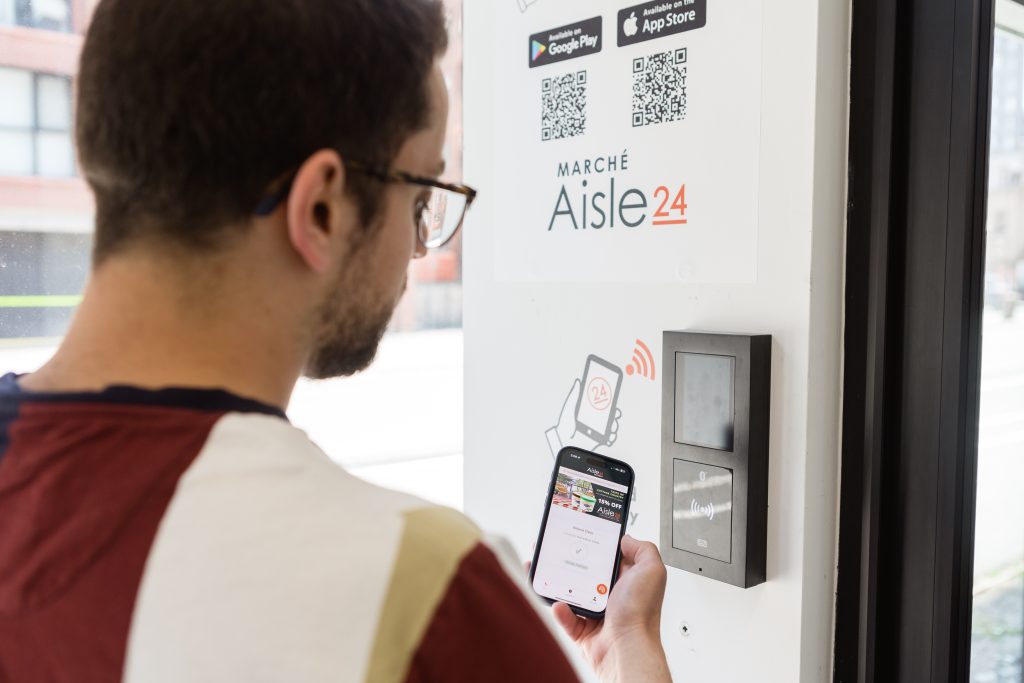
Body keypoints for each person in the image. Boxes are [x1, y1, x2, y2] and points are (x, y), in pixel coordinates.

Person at [0, 0, 673, 681]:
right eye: (421, 198)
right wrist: (631, 650)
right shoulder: (426, 595)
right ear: (320, 207)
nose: (418, 244)